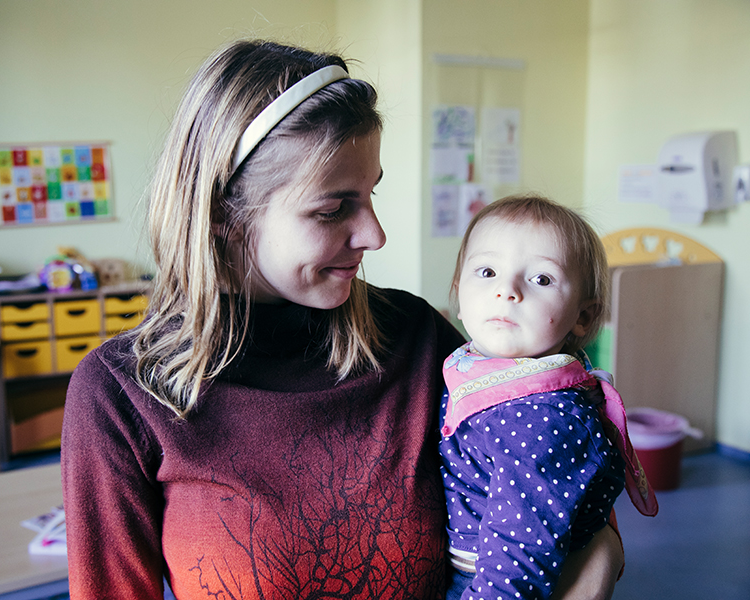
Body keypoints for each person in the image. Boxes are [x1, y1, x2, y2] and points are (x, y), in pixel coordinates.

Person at [61, 40, 624, 600]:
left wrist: (599, 553)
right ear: (222, 217)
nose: (375, 236)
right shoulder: (120, 394)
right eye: (333, 210)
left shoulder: (421, 340)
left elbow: (556, 478)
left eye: (371, 194)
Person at [439, 194, 658, 600]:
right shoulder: (477, 367)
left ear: (583, 317)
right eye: (486, 271)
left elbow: (522, 555)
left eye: (541, 279)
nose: (506, 290)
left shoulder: (543, 417)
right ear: (458, 290)